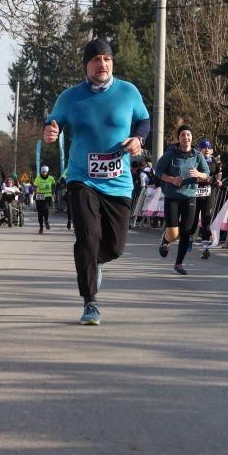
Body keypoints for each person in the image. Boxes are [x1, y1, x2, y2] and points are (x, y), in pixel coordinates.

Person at [44, 37, 150, 325]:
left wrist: (138, 139)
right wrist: (50, 132)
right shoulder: (70, 97)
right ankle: (90, 302)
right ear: (86, 65)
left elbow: (144, 120)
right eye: (95, 59)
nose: (102, 64)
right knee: (87, 237)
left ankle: (96, 260)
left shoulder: (128, 92)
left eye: (107, 59)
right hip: (82, 178)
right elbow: (53, 123)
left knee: (115, 246)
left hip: (118, 181)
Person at [153, 125, 210, 275]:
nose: (186, 137)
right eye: (183, 135)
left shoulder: (197, 155)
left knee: (186, 232)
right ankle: (165, 241)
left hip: (190, 196)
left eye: (188, 135)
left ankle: (178, 264)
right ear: (178, 138)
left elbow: (207, 173)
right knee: (173, 234)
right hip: (172, 197)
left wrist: (198, 174)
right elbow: (158, 171)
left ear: (192, 137)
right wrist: (171, 179)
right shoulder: (170, 154)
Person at [190, 138, 221, 260]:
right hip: (195, 192)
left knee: (206, 219)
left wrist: (218, 181)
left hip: (209, 192)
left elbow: (218, 173)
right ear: (200, 149)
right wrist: (199, 178)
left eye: (208, 147)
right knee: (193, 218)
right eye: (204, 147)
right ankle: (189, 238)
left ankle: (205, 248)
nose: (206, 149)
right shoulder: (195, 160)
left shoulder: (214, 161)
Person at [34, 165, 56, 233]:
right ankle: (41, 227)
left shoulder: (51, 178)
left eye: (45, 172)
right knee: (40, 213)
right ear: (41, 172)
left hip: (48, 195)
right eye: (43, 172)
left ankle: (46, 220)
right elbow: (35, 186)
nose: (44, 173)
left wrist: (53, 193)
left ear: (47, 172)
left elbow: (54, 186)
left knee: (46, 210)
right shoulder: (38, 178)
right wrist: (35, 192)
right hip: (40, 195)